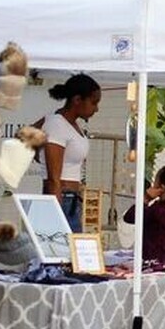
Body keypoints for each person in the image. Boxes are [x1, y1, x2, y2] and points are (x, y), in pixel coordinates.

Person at [38, 74, 101, 233]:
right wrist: (55, 213)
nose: (96, 109)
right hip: (61, 198)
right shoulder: (56, 124)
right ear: (77, 100)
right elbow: (54, 178)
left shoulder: (69, 124)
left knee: (72, 253)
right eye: (93, 103)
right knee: (63, 253)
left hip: (72, 199)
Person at [123, 166, 165, 276]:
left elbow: (129, 217)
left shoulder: (156, 210)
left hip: (154, 265)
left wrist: (146, 198)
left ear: (162, 187)